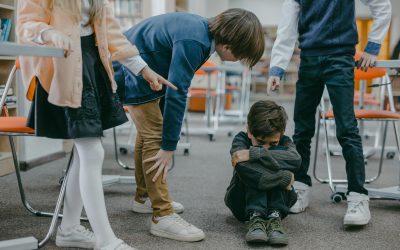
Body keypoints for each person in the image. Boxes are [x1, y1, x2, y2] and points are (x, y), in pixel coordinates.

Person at [17, 1, 174, 249]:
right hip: (64, 66)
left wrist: (144, 70)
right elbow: (25, 25)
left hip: (91, 63)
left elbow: (111, 33)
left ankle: (68, 229)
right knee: (92, 152)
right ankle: (105, 240)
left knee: (84, 155)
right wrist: (50, 33)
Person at [113, 8, 265, 242]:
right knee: (154, 135)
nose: (239, 61)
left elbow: (173, 84)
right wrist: (169, 146)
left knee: (148, 133)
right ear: (229, 45)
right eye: (241, 55)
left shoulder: (201, 32)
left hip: (139, 67)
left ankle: (144, 198)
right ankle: (162, 215)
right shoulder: (195, 41)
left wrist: (167, 139)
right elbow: (178, 91)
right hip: (130, 70)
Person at [267, 0, 391, 226]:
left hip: (340, 57)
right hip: (309, 59)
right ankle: (300, 187)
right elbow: (287, 26)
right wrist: (277, 67)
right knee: (302, 129)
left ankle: (358, 196)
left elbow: (382, 4)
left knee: (347, 129)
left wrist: (373, 46)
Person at [224, 100, 300, 246]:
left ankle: (274, 217)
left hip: (279, 204)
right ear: (249, 131)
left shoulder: (284, 141)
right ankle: (256, 217)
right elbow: (242, 166)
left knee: (275, 160)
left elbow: (296, 160)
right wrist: (282, 178)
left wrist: (256, 153)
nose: (267, 148)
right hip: (242, 202)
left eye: (273, 144)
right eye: (260, 143)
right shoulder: (240, 139)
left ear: (281, 133)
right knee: (250, 169)